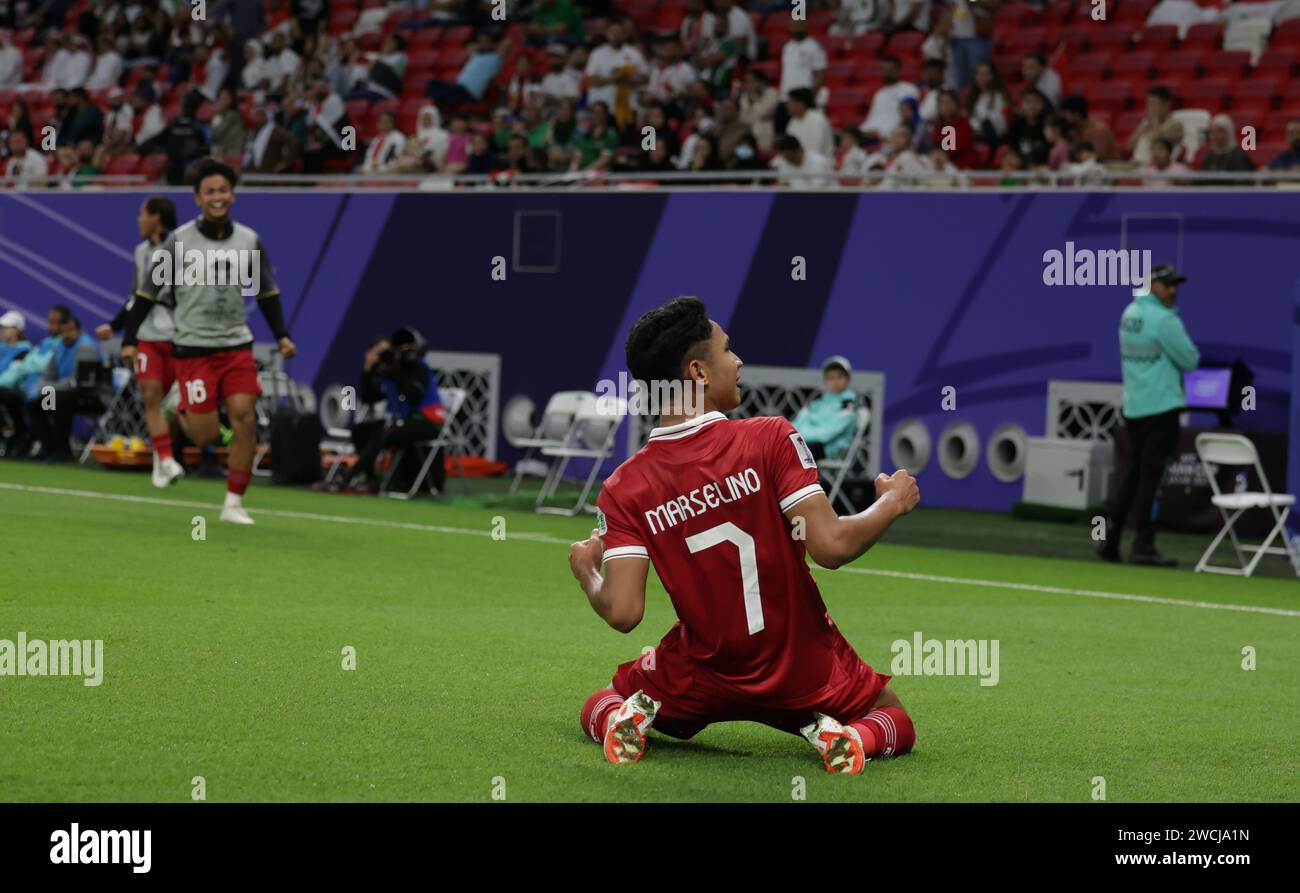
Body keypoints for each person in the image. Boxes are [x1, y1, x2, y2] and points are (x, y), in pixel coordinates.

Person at [571, 296, 920, 773]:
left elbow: (624, 612)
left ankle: (622, 721)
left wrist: (587, 571)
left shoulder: (625, 486)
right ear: (698, 372)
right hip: (802, 666)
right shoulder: (770, 438)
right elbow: (832, 547)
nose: (738, 361)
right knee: (892, 713)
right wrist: (890, 503)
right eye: (728, 350)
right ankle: (852, 740)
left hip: (702, 673)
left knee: (602, 700)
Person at [118, 158, 296, 525]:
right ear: (198, 198)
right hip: (193, 350)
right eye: (210, 191)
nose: (218, 197)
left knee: (245, 418)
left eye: (224, 190)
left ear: (232, 194)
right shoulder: (179, 242)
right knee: (205, 437)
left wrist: (281, 335)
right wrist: (130, 338)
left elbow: (266, 292)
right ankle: (178, 408)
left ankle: (233, 503)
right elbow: (147, 295)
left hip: (235, 347)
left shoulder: (249, 240)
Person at [1098, 265, 1200, 567]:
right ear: (1151, 285)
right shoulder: (1165, 320)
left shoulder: (1129, 313)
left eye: (1175, 284)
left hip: (1135, 408)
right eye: (1167, 285)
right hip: (1161, 408)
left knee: (1133, 474)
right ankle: (1143, 546)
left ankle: (1110, 540)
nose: (1173, 290)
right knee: (1151, 480)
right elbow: (1191, 360)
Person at [98, 196, 183, 487]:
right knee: (151, 395)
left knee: (177, 405)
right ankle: (166, 459)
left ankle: (166, 457)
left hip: (178, 334)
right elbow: (137, 297)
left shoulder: (182, 250)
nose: (138, 219)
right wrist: (117, 327)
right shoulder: (139, 252)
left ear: (156, 218)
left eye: (142, 214)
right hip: (147, 335)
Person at [322, 327, 448, 495]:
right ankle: (371, 480)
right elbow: (369, 397)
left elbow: (414, 397)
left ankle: (348, 476)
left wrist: (397, 372)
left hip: (427, 422)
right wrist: (368, 370)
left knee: (385, 432)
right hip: (402, 423)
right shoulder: (388, 372)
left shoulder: (419, 368)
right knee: (361, 430)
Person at [25, 314, 102, 460]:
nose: (66, 335)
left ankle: (64, 451)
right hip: (63, 393)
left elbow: (78, 383)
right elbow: (48, 375)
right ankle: (50, 448)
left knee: (59, 400)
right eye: (63, 332)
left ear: (79, 331)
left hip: (90, 396)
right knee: (35, 404)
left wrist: (47, 386)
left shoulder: (86, 347)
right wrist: (44, 386)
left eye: (70, 331)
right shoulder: (59, 346)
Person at [792, 356, 859, 461]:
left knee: (799, 452)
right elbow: (796, 425)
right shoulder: (817, 402)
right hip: (807, 443)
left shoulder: (847, 404)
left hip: (828, 449)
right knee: (785, 450)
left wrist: (801, 436)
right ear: (825, 380)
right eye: (830, 378)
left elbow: (827, 435)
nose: (835, 381)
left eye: (840, 377)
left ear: (848, 379)